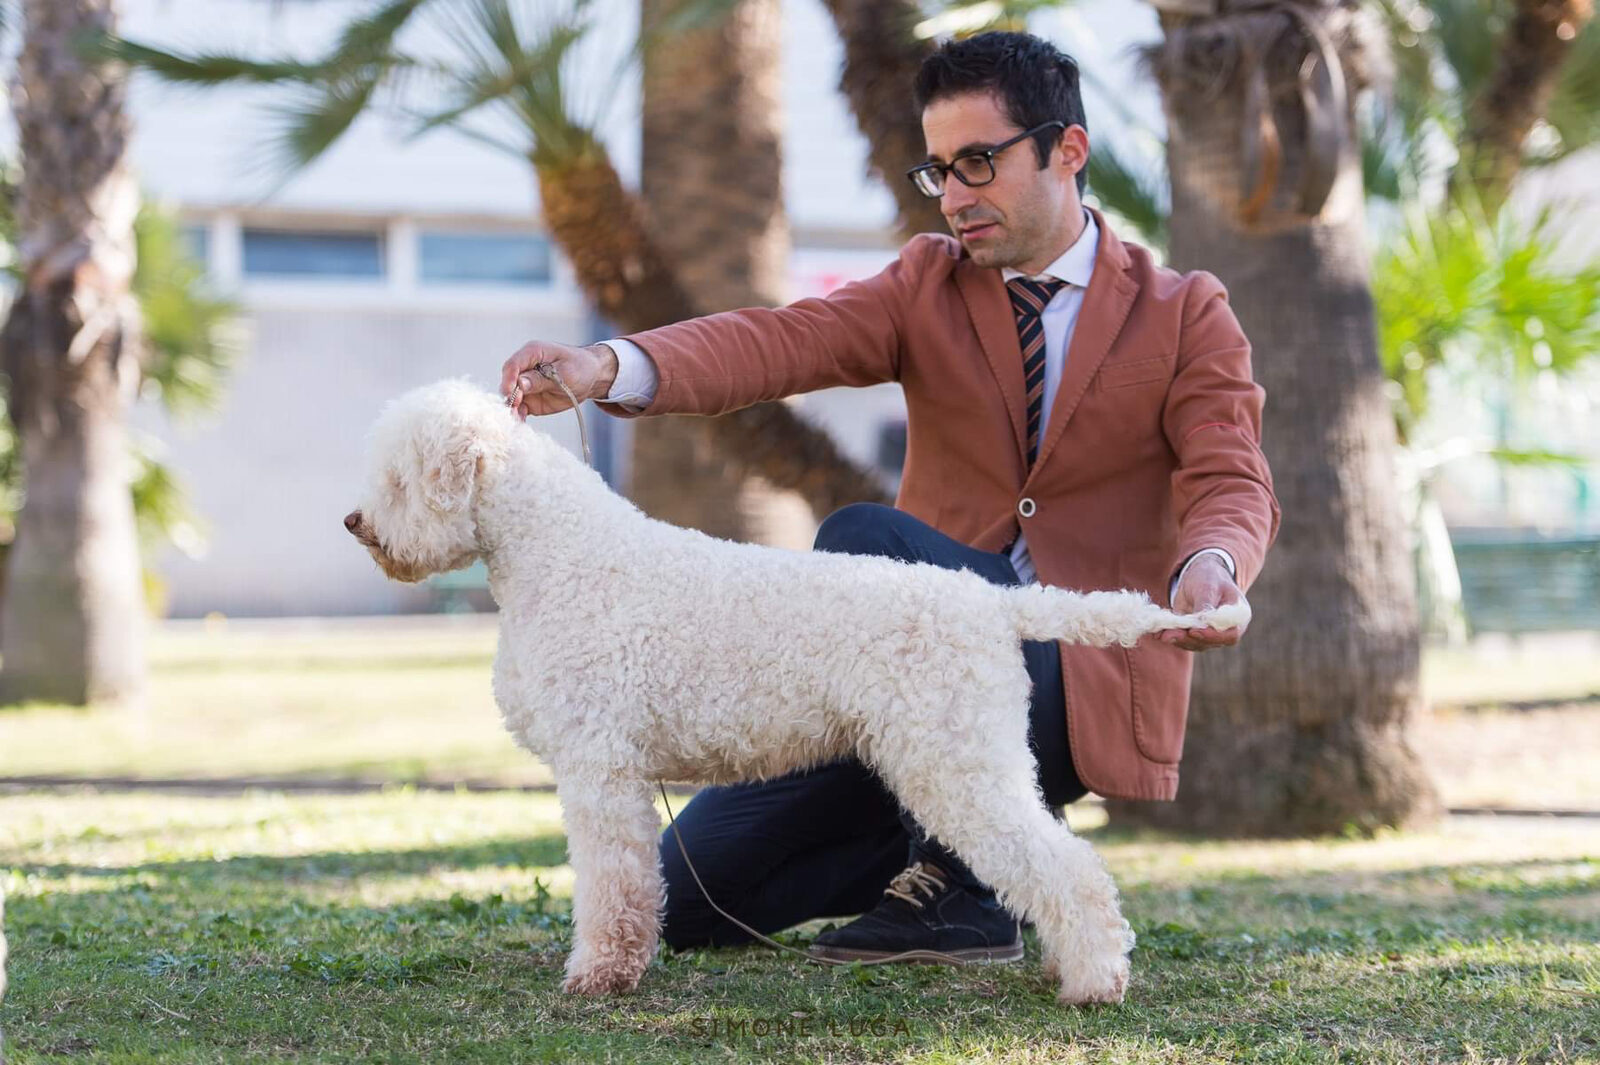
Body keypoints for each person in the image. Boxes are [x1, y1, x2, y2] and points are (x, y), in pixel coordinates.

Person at [500, 31, 1279, 965]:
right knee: (689, 899)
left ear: (1066, 150)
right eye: (938, 171)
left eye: (979, 163)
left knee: (865, 531)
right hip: (887, 686)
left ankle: (977, 888)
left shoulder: (1187, 309)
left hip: (1069, 674)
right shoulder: (925, 283)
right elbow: (778, 343)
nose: (954, 196)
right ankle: (945, 860)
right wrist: (607, 364)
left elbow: (1228, 472)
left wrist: (1210, 564)